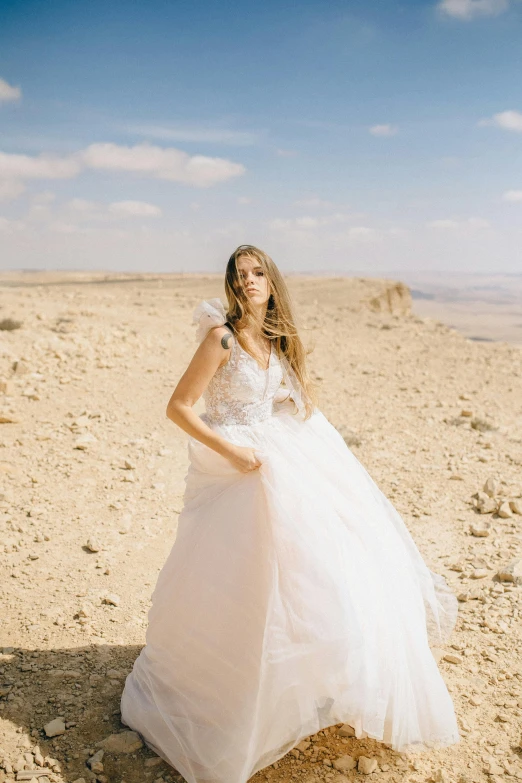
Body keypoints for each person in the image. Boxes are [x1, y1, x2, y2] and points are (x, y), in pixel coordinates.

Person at [120, 245, 460, 783]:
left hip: (281, 457)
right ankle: (229, 691)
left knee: (316, 566)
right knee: (244, 576)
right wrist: (233, 453)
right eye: (240, 275)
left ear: (272, 282)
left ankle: (308, 677)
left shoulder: (277, 340)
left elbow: (289, 402)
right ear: (231, 285)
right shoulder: (222, 338)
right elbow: (179, 407)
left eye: (258, 273)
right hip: (240, 467)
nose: (249, 282)